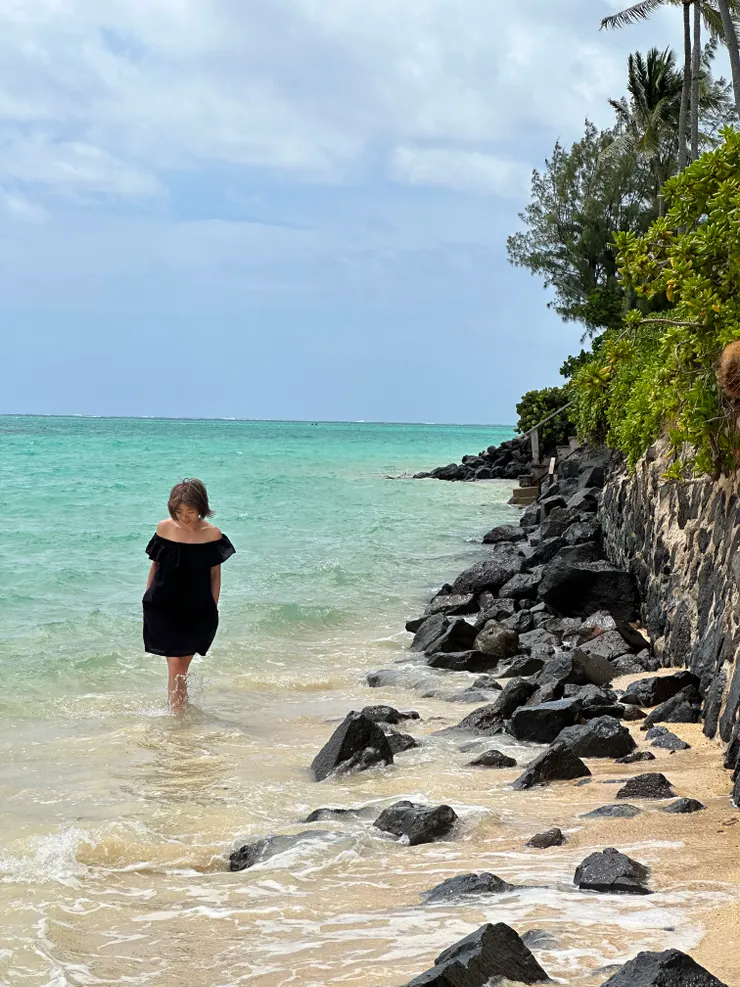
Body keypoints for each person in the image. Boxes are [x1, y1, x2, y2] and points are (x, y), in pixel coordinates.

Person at [143, 479, 235, 712]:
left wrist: (212, 608)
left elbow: (215, 575)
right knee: (175, 664)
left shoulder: (212, 534)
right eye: (179, 511)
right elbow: (155, 566)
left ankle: (178, 712)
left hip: (197, 609)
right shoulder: (164, 528)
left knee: (181, 666)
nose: (184, 516)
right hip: (163, 605)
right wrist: (147, 597)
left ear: (201, 508)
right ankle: (178, 714)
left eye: (190, 511)